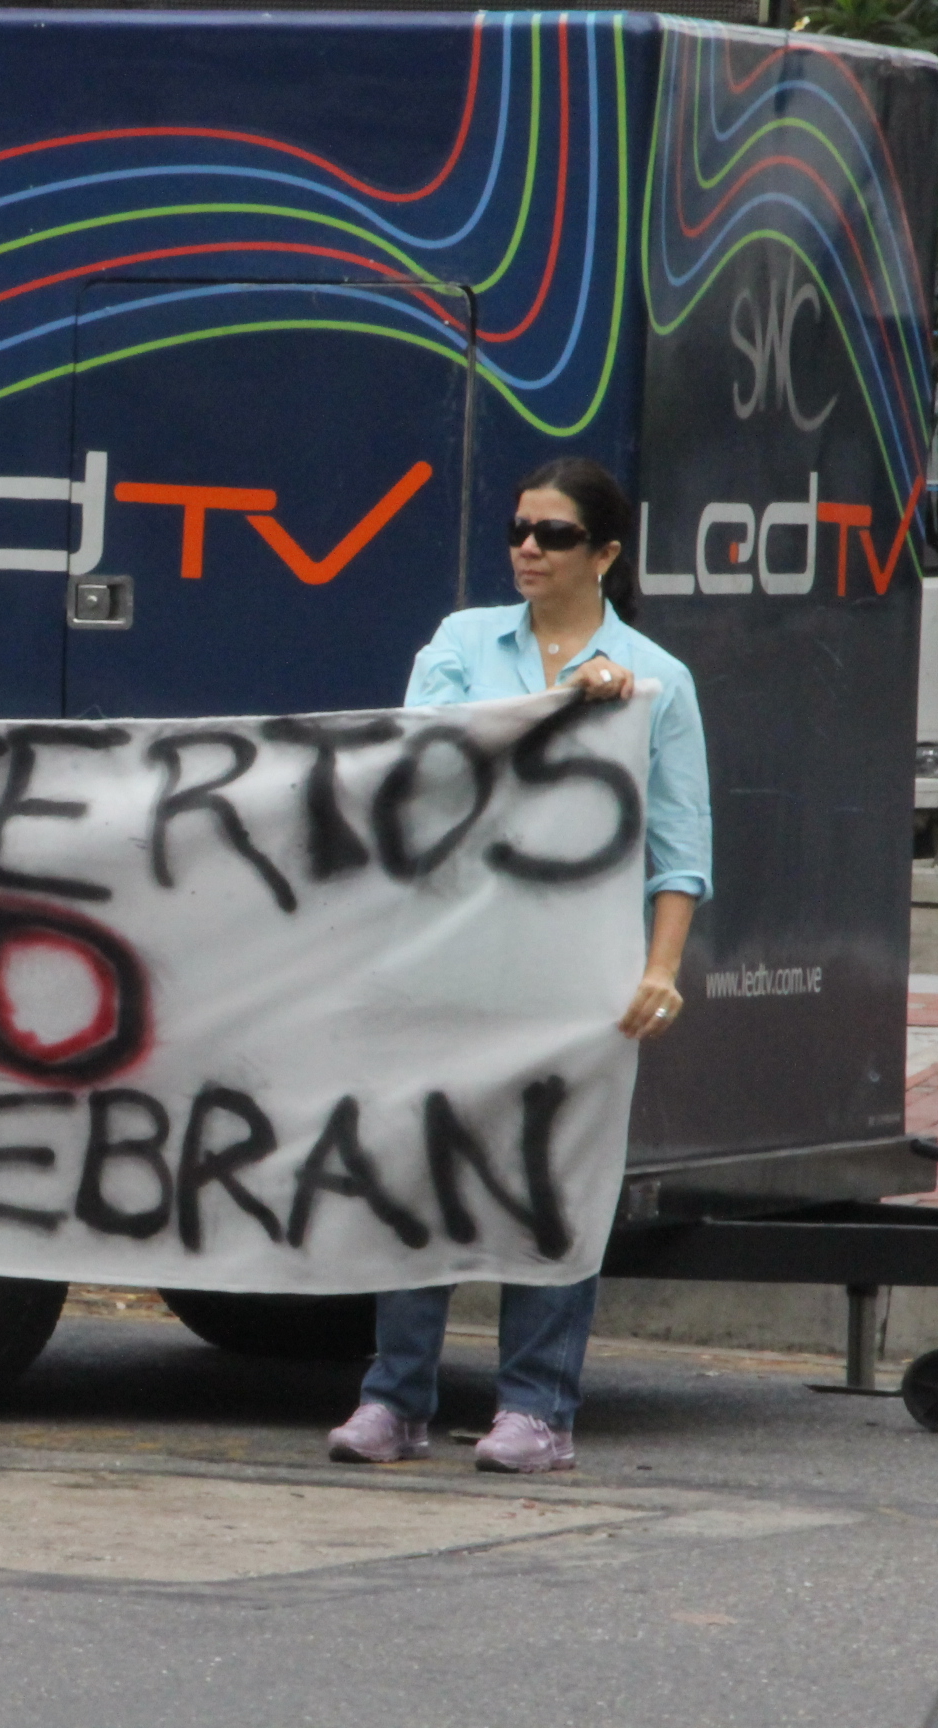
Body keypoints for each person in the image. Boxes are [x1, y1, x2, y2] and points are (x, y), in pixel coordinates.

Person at [326, 456, 712, 1475]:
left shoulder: (659, 683)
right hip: (451, 963)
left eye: (554, 535)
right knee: (420, 1172)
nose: (528, 549)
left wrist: (660, 970)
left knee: (552, 1183)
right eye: (519, 532)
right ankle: (394, 1398)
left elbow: (681, 849)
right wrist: (558, 714)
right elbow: (425, 763)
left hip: (575, 979)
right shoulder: (462, 644)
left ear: (607, 554)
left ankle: (537, 1407)